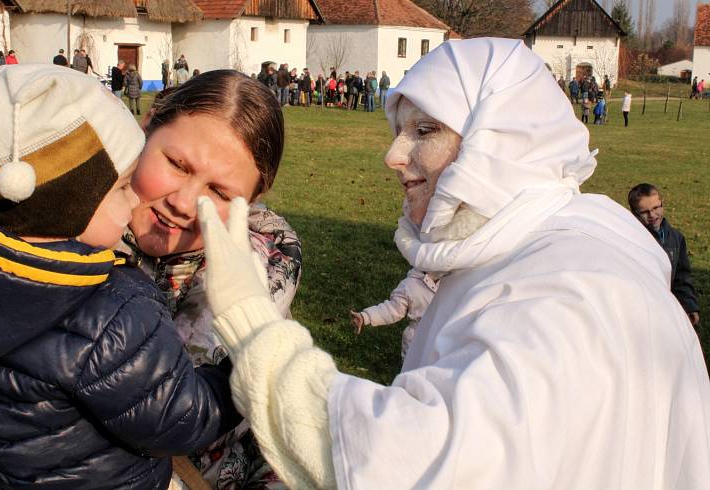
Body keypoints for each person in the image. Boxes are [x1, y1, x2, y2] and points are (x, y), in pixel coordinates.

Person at [192, 38, 710, 489]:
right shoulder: (528, 250)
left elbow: (417, 464)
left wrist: (252, 322)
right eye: (400, 129)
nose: (393, 156)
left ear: (498, 141)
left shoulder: (566, 290)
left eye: (425, 130)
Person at [0, 64, 240, 489]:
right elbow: (179, 420)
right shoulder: (110, 312)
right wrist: (241, 372)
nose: (135, 196)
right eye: (121, 187)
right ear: (66, 205)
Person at [124, 70, 300, 488]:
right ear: (146, 127)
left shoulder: (252, 281)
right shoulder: (44, 229)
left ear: (251, 203)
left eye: (220, 194)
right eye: (176, 164)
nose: (185, 203)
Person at [628, 184, 700, 327]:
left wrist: (689, 306)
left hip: (669, 310)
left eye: (656, 208)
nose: (652, 215)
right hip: (643, 311)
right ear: (634, 213)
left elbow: (681, 277)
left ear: (662, 203)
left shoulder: (676, 238)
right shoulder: (631, 240)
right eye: (645, 212)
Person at [349, 268, 440, 359]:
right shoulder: (409, 286)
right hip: (417, 339)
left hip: (444, 337)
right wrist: (365, 316)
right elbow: (392, 309)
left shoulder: (450, 284)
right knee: (414, 369)